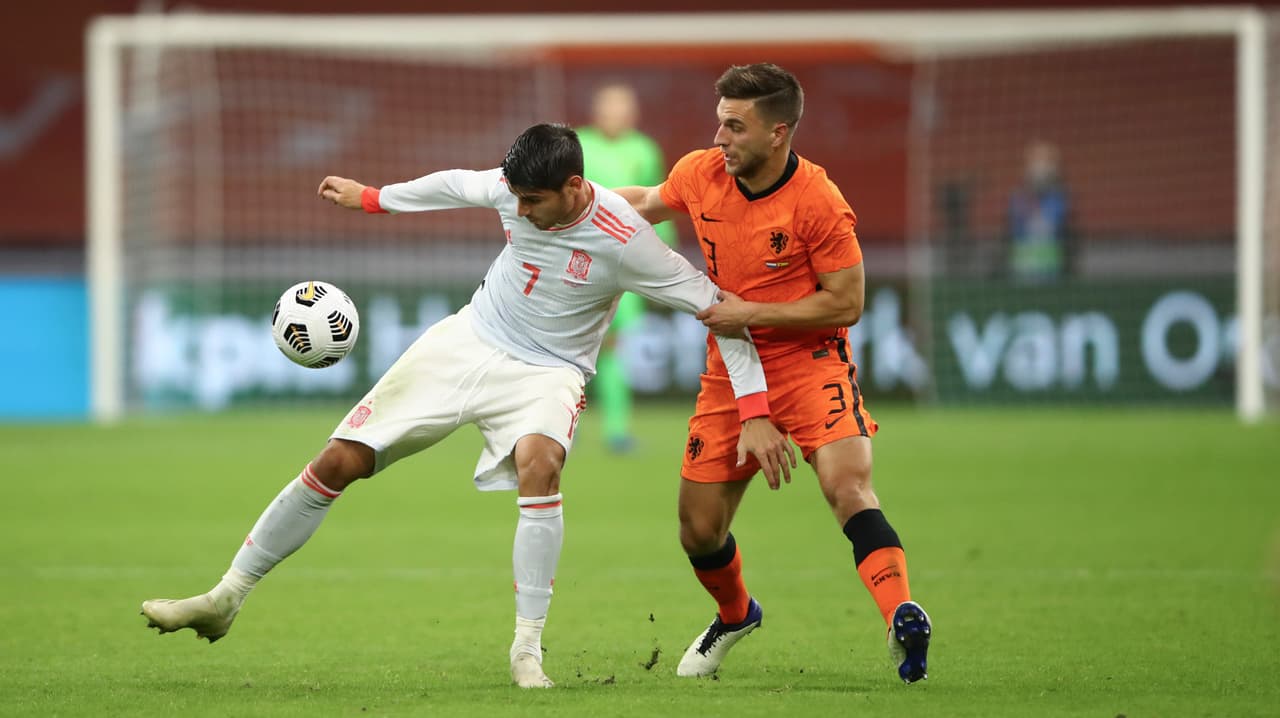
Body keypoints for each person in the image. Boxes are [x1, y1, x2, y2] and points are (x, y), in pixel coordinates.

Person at [139, 123, 793, 689]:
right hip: (467, 340)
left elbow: (720, 311)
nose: (521, 211)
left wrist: (756, 409)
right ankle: (225, 598)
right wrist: (372, 199)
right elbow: (454, 183)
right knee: (338, 461)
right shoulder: (514, 193)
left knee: (542, 465)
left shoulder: (625, 241)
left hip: (548, 372)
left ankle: (526, 651)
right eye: (517, 198)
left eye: (534, 201)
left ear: (572, 188)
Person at [616, 63, 933, 684]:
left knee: (849, 486)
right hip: (729, 372)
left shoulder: (818, 201)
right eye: (719, 123)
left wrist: (750, 312)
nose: (720, 138)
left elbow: (847, 302)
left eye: (735, 127)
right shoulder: (701, 174)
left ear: (778, 132)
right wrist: (574, 203)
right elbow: (648, 203)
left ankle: (902, 615)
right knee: (698, 530)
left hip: (809, 361)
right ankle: (735, 615)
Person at [576, 82, 678, 453]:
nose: (614, 114)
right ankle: (559, 424)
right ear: (595, 111)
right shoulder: (577, 144)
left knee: (613, 345)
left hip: (629, 261)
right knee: (573, 345)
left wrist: (666, 258)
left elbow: (661, 202)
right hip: (581, 261)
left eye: (621, 107)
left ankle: (616, 429)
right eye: (608, 107)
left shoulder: (644, 149)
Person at [1005, 139, 1075, 282]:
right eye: (1036, 161)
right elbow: (1014, 228)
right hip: (1022, 267)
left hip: (1052, 267)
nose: (1040, 168)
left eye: (1045, 162)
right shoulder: (1018, 197)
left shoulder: (1060, 197)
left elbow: (1060, 226)